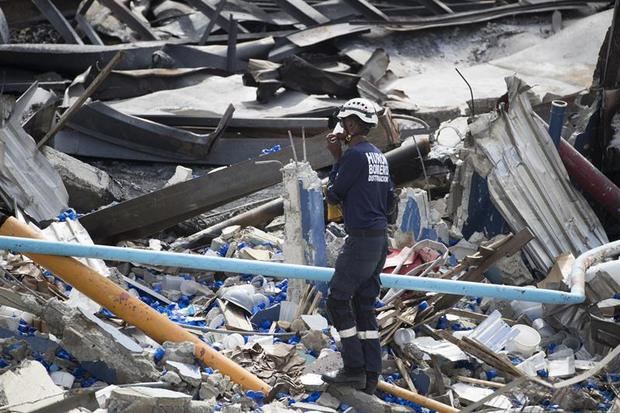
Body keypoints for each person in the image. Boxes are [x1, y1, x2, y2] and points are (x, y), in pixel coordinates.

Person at [321, 98, 395, 395]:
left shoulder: (353, 156)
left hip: (362, 240)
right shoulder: (379, 156)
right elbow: (390, 200)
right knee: (363, 305)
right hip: (379, 241)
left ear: (351, 124)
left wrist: (336, 156)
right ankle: (370, 376)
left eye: (345, 123)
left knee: (338, 301)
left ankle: (353, 369)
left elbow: (333, 194)